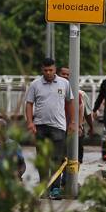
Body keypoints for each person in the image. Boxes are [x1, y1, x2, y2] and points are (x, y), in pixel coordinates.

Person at [24, 57, 74, 198]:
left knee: (56, 159)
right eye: (45, 70)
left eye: (50, 70)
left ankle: (55, 188)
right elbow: (29, 103)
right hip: (40, 127)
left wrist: (72, 122)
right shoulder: (35, 84)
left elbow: (70, 103)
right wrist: (30, 122)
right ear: (42, 70)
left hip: (58, 126)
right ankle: (44, 187)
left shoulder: (64, 84)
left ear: (55, 69)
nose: (48, 73)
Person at [58, 66, 94, 162]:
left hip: (76, 130)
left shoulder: (81, 95)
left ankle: (74, 176)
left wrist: (91, 127)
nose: (65, 76)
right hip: (60, 129)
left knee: (76, 159)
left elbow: (88, 114)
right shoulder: (55, 92)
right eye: (63, 74)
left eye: (68, 74)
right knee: (61, 158)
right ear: (58, 75)